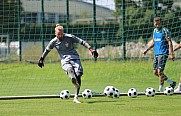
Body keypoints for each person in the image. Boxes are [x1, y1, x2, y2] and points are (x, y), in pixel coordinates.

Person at [38, 24, 98, 103]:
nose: (60, 36)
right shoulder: (53, 42)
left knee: (79, 74)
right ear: (55, 34)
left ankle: (76, 97)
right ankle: (73, 79)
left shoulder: (70, 37)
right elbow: (47, 50)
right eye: (58, 34)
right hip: (65, 60)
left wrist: (91, 49)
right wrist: (42, 59)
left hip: (75, 58)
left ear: (63, 32)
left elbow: (82, 42)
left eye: (62, 34)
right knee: (70, 70)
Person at [143, 17, 176, 92]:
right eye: (155, 23)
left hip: (163, 53)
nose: (157, 24)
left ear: (161, 23)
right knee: (155, 72)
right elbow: (154, 42)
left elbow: (169, 42)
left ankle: (160, 90)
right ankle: (171, 82)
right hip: (156, 53)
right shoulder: (154, 31)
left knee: (160, 72)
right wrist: (147, 49)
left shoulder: (165, 30)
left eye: (158, 22)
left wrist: (171, 53)